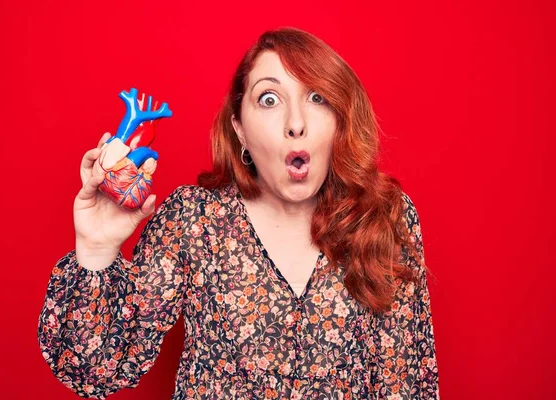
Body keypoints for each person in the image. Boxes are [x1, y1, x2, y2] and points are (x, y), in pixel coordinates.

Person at [38, 27, 439, 399]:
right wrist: (95, 249)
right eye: (269, 99)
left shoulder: (384, 217)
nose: (295, 123)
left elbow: (407, 383)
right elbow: (94, 369)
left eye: (317, 97)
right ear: (240, 129)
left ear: (340, 120)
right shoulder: (194, 221)